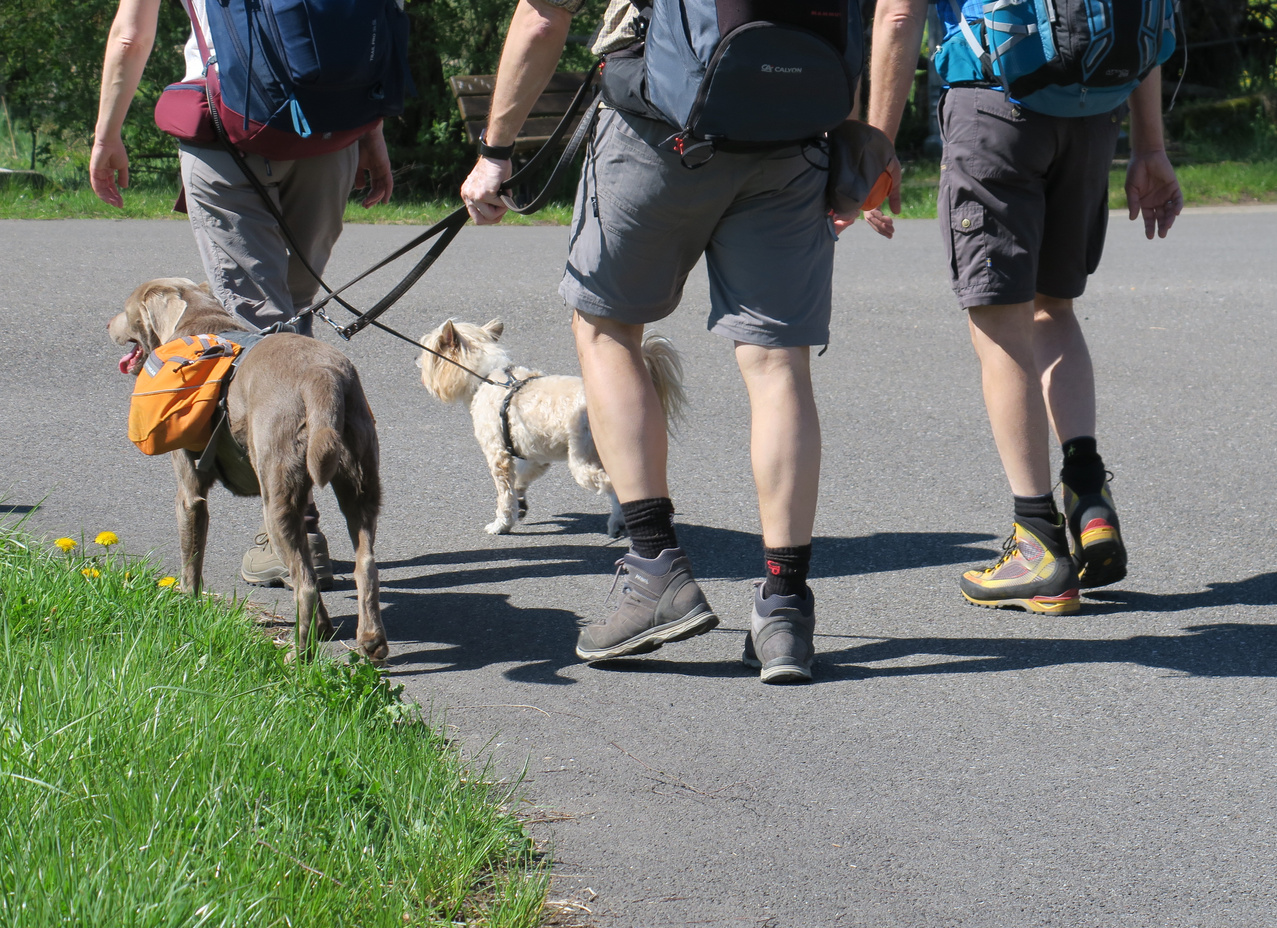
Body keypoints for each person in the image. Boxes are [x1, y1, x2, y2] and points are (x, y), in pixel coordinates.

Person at [460, 0, 899, 683]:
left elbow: (544, 16)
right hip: (792, 141)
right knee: (778, 366)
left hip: (659, 136)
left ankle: (654, 569)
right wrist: (867, 135)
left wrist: (495, 152)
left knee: (606, 330)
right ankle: (784, 607)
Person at [866, 0, 1183, 615]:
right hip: (1093, 114)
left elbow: (899, 17)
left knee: (1001, 325)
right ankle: (1087, 495)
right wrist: (1150, 145)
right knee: (1052, 309)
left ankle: (1037, 539)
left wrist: (875, 147)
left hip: (995, 109)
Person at [91, 0, 396, 590]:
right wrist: (369, 130)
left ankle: (291, 523)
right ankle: (310, 501)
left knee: (260, 324)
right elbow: (355, 33)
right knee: (294, 316)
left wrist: (107, 134)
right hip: (329, 127)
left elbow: (131, 36)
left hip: (223, 126)